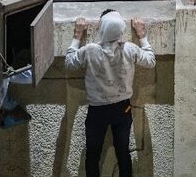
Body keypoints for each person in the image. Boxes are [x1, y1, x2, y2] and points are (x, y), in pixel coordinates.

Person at [65, 10, 155, 177]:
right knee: (123, 153)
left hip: (97, 111)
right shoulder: (129, 49)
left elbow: (69, 63)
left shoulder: (90, 50)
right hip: (122, 109)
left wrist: (77, 35)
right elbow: (150, 61)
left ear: (102, 28)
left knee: (93, 155)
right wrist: (142, 35)